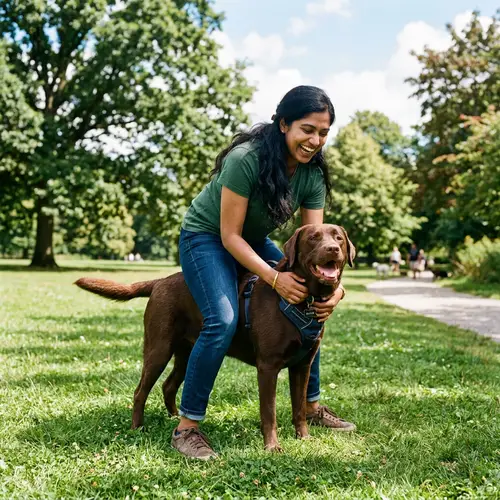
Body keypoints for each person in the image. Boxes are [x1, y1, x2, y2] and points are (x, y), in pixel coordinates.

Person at [172, 85, 355, 460]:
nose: (315, 140)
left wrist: (335, 292)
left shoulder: (313, 175)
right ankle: (187, 427)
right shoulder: (246, 159)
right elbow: (228, 236)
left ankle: (310, 407)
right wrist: (274, 278)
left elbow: (315, 249)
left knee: (307, 309)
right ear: (284, 123)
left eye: (323, 133)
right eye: (308, 129)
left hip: (250, 239)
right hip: (206, 237)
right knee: (221, 320)